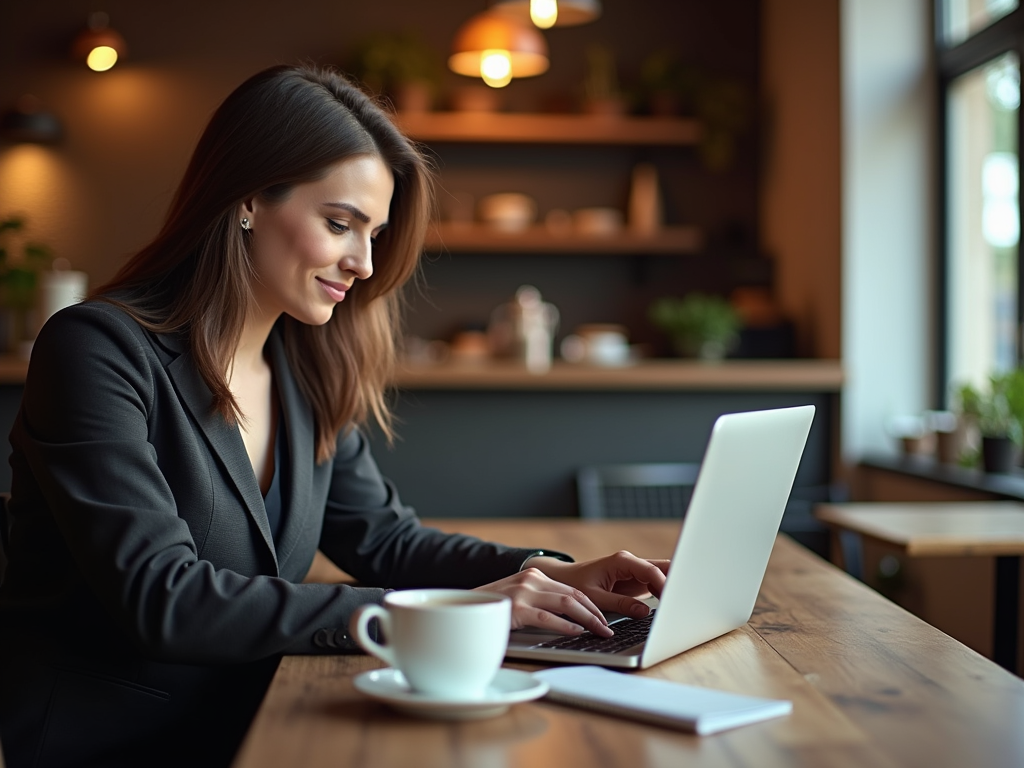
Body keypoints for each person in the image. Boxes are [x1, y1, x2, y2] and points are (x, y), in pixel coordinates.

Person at [0, 64, 668, 768]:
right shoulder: (96, 350)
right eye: (340, 224)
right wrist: (454, 613)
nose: (365, 263)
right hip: (116, 744)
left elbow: (383, 539)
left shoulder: (303, 366)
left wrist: (547, 577)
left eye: (374, 233)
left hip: (265, 716)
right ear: (249, 199)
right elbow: (162, 596)